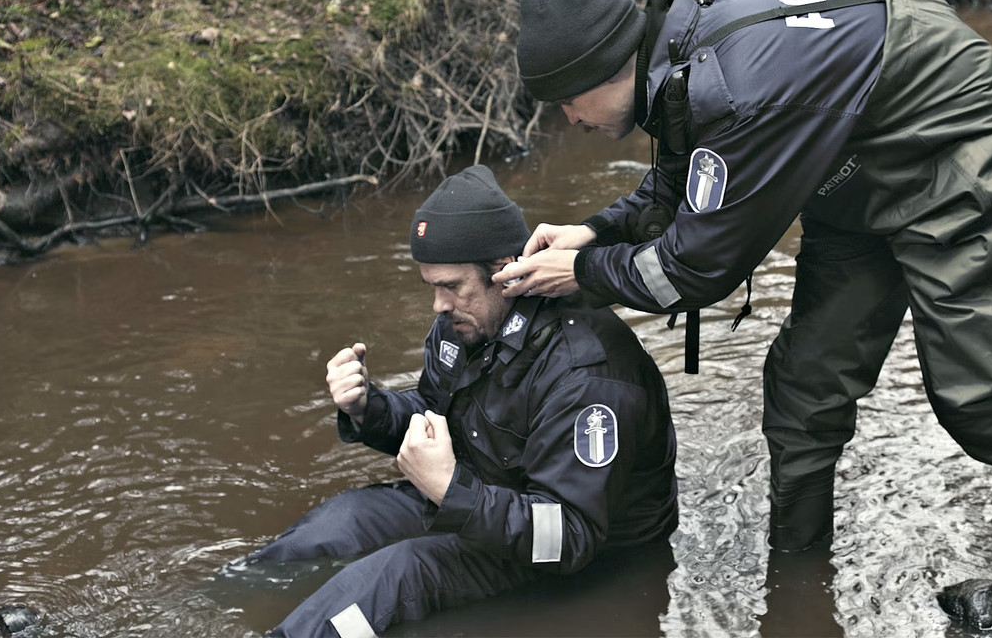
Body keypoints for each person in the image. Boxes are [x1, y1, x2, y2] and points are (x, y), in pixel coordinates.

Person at [494, 0, 992, 602]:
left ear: (608, 68)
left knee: (979, 395)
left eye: (567, 102)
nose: (569, 121)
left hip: (956, 142)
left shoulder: (733, 90)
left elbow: (691, 273)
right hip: (852, 165)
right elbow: (679, 181)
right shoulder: (679, 60)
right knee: (805, 384)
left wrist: (580, 272)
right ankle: (798, 566)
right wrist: (596, 231)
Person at [245, 165, 679, 637]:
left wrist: (453, 491)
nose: (438, 305)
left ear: (504, 272)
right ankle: (222, 597)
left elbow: (568, 537)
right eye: (432, 286)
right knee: (335, 527)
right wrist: (367, 409)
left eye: (451, 286)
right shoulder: (465, 323)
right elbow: (435, 413)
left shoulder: (587, 374)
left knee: (392, 579)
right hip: (481, 501)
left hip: (582, 557)